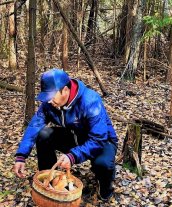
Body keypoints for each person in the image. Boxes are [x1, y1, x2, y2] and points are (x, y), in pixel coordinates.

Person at [13, 68, 118, 201]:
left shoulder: (90, 100)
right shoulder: (50, 104)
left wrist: (73, 156)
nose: (49, 101)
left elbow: (98, 139)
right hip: (74, 136)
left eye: (51, 96)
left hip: (102, 141)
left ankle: (106, 188)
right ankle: (49, 179)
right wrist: (21, 156)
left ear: (66, 90)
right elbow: (35, 125)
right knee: (44, 134)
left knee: (103, 164)